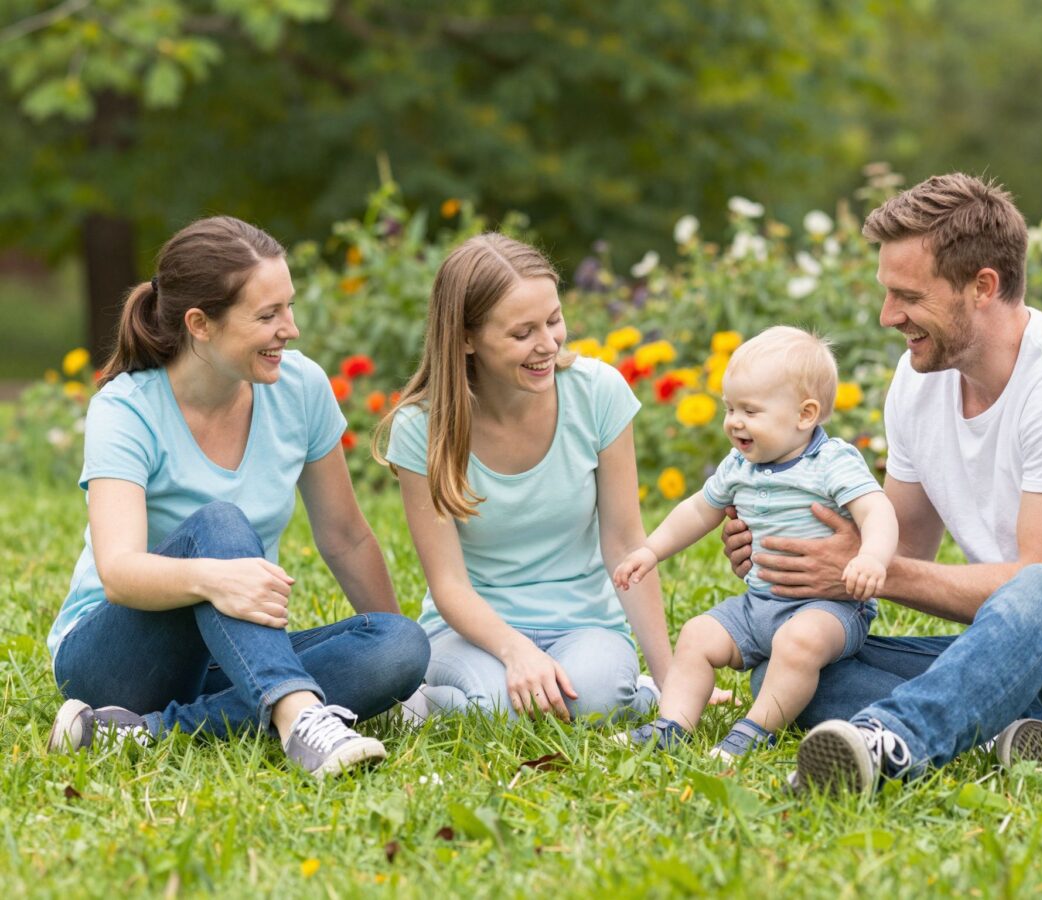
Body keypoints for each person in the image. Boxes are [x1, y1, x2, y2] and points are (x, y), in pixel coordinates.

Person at [721, 173, 1042, 794]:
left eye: (908, 296)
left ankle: (889, 744)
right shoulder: (919, 381)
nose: (887, 316)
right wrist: (788, 546)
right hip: (1018, 656)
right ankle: (1022, 727)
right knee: (795, 665)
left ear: (983, 286)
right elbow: (902, 551)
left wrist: (868, 568)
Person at [46, 216, 430, 778]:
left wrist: (405, 683)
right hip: (116, 661)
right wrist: (213, 578)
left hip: (234, 655)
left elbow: (346, 538)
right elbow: (119, 572)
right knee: (219, 524)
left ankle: (140, 733)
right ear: (200, 324)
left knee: (401, 645)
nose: (291, 329)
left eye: (289, 307)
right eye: (268, 315)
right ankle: (301, 718)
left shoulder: (301, 389)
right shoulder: (126, 408)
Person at [377, 233, 689, 722]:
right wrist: (514, 651)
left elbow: (627, 546)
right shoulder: (424, 428)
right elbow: (449, 585)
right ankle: (419, 705)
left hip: (584, 625)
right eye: (522, 333)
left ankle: (637, 689)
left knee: (593, 698)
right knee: (500, 707)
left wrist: (674, 683)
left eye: (554, 320)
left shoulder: (598, 393)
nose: (547, 344)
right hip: (470, 634)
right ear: (465, 338)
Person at [612, 327, 897, 760]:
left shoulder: (831, 462)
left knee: (798, 642)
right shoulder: (738, 465)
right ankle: (673, 725)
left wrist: (872, 556)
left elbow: (876, 509)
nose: (734, 421)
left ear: (805, 415)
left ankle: (755, 729)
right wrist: (651, 550)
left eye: (750, 410)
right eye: (729, 408)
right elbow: (697, 510)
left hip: (829, 609)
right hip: (757, 605)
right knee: (695, 635)